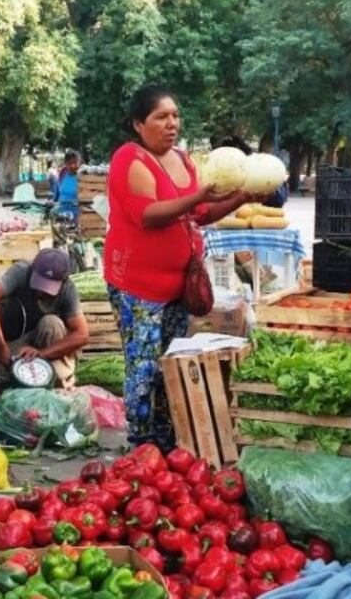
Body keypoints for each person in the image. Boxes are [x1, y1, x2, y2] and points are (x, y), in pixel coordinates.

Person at [104, 84, 254, 448]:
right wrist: (198, 195)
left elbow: (200, 215)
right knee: (141, 364)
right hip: (137, 286)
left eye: (175, 115)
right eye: (161, 117)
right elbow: (148, 216)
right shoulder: (130, 158)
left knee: (167, 362)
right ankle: (140, 442)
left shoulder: (184, 160)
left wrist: (241, 197)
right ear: (139, 124)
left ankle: (166, 438)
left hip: (177, 287)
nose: (172, 123)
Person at [0, 248, 89, 391]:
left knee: (52, 323)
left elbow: (82, 335)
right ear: (33, 270)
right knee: (8, 382)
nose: (41, 291)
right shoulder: (21, 271)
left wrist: (42, 354)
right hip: (10, 341)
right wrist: (1, 347)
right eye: (39, 284)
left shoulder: (68, 289)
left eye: (47, 287)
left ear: (63, 281)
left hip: (42, 347)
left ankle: (49, 374)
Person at [55, 151, 81, 222]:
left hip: (77, 217)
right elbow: (58, 193)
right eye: (69, 163)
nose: (72, 166)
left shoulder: (83, 177)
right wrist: (52, 201)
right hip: (62, 215)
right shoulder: (63, 174)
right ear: (65, 164)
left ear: (79, 163)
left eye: (75, 163)